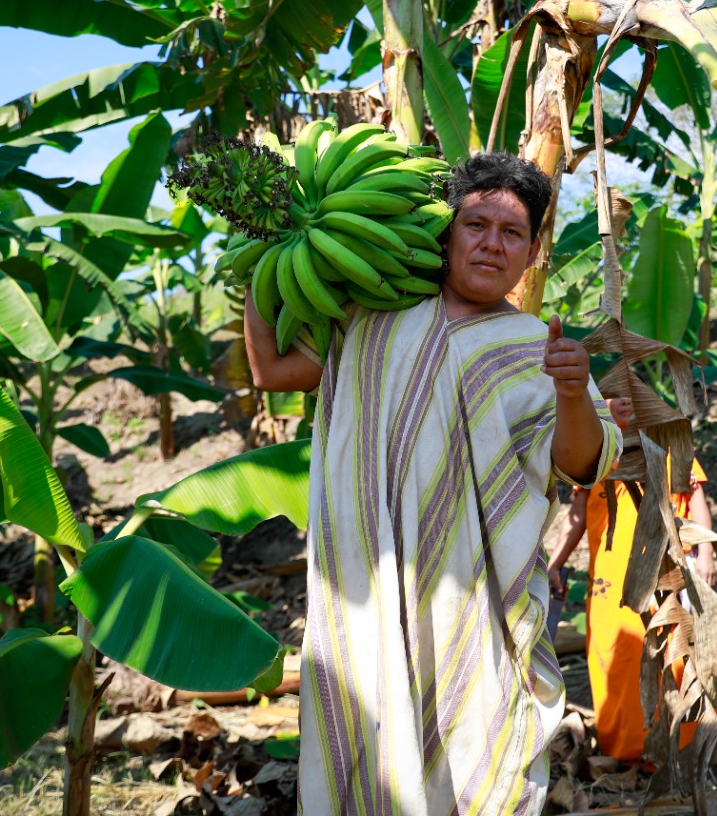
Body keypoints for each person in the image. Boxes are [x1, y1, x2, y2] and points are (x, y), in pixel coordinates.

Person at [244, 151, 622, 815]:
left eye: (512, 234)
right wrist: (264, 262)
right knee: (359, 761)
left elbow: (585, 462)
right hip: (359, 595)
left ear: (533, 253)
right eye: (477, 224)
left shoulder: (536, 347)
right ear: (446, 233)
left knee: (477, 768)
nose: (492, 243)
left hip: (473, 609)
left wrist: (571, 392)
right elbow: (273, 373)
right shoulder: (369, 315)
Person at [544, 400, 717, 762]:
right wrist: (555, 563)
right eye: (614, 406)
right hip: (611, 578)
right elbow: (579, 515)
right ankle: (629, 747)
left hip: (668, 568)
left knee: (683, 652)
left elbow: (696, 501)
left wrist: (707, 555)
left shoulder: (668, 450)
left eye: (631, 405)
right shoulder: (593, 458)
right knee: (616, 654)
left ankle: (701, 743)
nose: (624, 412)